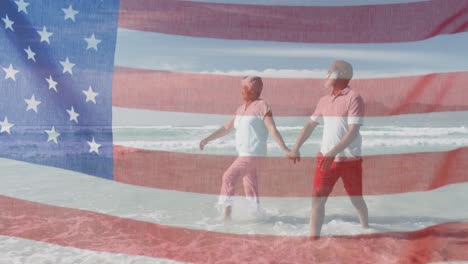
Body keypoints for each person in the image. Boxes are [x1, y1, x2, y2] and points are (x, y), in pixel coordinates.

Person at [288, 60, 369, 238]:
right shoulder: (324, 100)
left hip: (350, 160)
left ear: (342, 74)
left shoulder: (354, 97)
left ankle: (367, 230)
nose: (326, 74)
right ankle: (313, 240)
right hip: (325, 159)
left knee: (356, 200)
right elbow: (310, 125)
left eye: (329, 71)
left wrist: (333, 153)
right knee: (317, 201)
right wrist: (296, 147)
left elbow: (353, 131)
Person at [200, 76, 290, 222]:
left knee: (228, 177)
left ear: (254, 90)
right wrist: (207, 139)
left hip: (254, 154)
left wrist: (285, 149)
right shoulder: (240, 109)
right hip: (245, 154)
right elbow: (226, 128)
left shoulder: (262, 106)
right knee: (250, 187)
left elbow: (272, 129)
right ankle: (258, 217)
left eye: (244, 87)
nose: (241, 91)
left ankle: (226, 218)